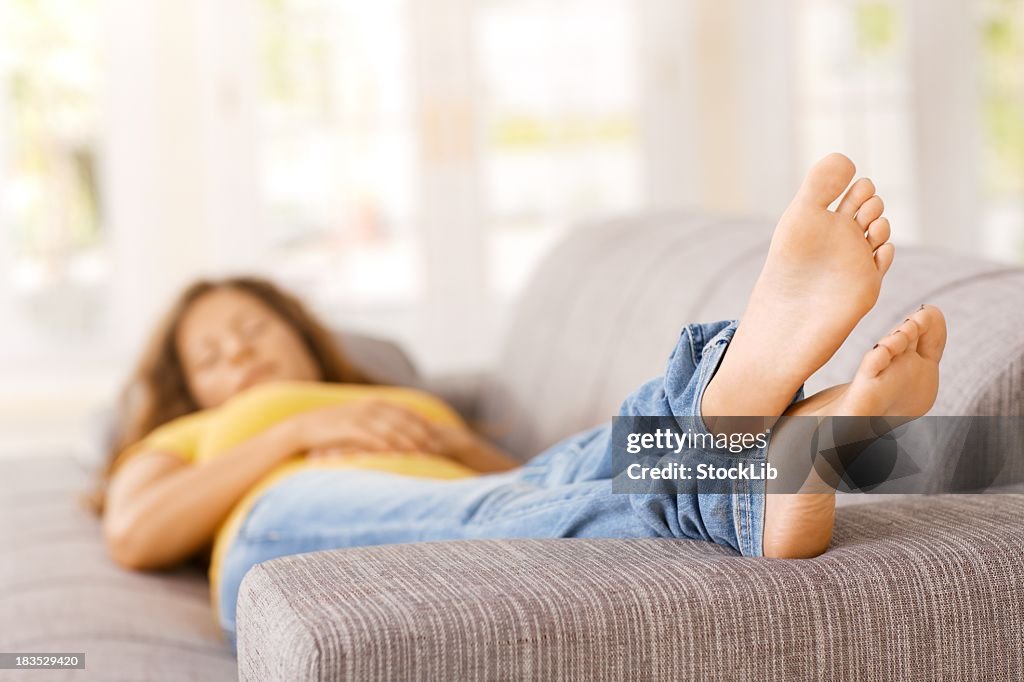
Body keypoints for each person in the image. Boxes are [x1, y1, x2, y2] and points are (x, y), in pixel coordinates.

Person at [94, 153, 946, 651]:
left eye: (251, 329)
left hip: (480, 490)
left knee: (576, 467)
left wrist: (450, 445)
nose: (237, 354)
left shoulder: (387, 396)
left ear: (302, 334)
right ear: (188, 390)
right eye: (209, 355)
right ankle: (749, 437)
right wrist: (298, 431)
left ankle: (753, 425)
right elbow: (136, 531)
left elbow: (522, 485)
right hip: (284, 525)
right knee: (504, 508)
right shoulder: (197, 434)